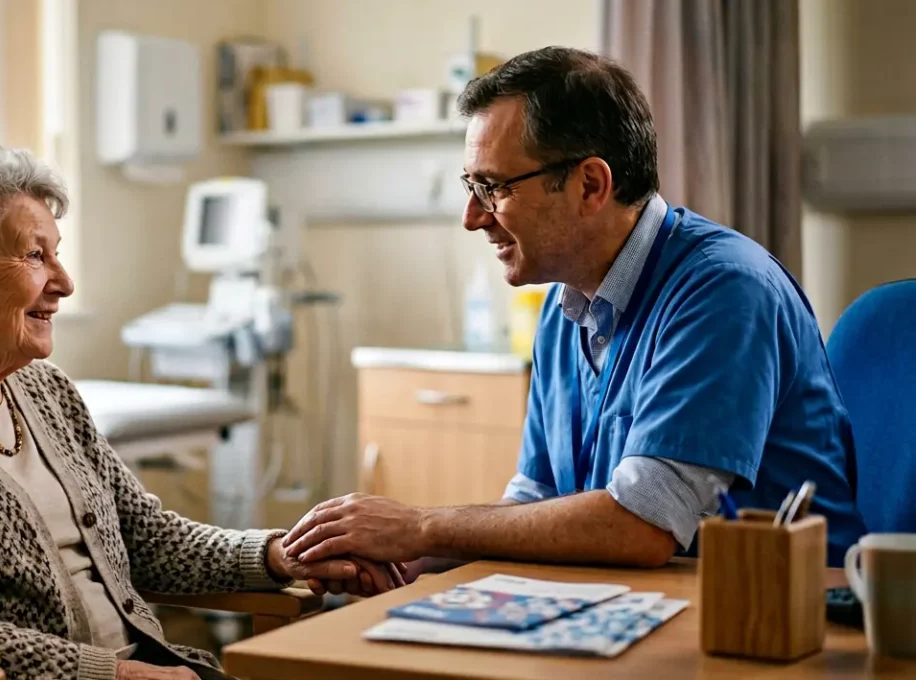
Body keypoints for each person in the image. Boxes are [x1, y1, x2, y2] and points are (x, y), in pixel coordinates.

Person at [0, 141, 401, 680]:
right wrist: (110, 673)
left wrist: (276, 554)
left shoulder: (44, 389)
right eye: (36, 256)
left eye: (56, 254)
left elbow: (144, 538)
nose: (64, 282)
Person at [282, 47, 866, 578]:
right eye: (471, 185)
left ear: (590, 185)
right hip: (633, 602)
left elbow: (642, 525)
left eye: (494, 188)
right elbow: (535, 505)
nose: (473, 216)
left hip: (775, 621)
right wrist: (409, 560)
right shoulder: (567, 307)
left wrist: (421, 525)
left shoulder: (723, 290)